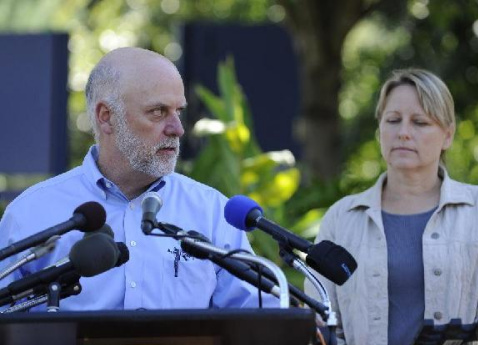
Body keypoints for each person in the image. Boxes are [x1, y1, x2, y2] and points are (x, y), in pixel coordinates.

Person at [0, 47, 278, 311]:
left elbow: (256, 319)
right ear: (106, 117)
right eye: (158, 112)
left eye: (178, 112)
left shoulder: (212, 211)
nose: (178, 129)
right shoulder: (31, 214)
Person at [305, 68, 478, 345]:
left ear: (448, 135)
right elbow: (322, 320)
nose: (403, 132)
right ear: (379, 130)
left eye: (419, 122)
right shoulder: (341, 218)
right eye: (393, 120)